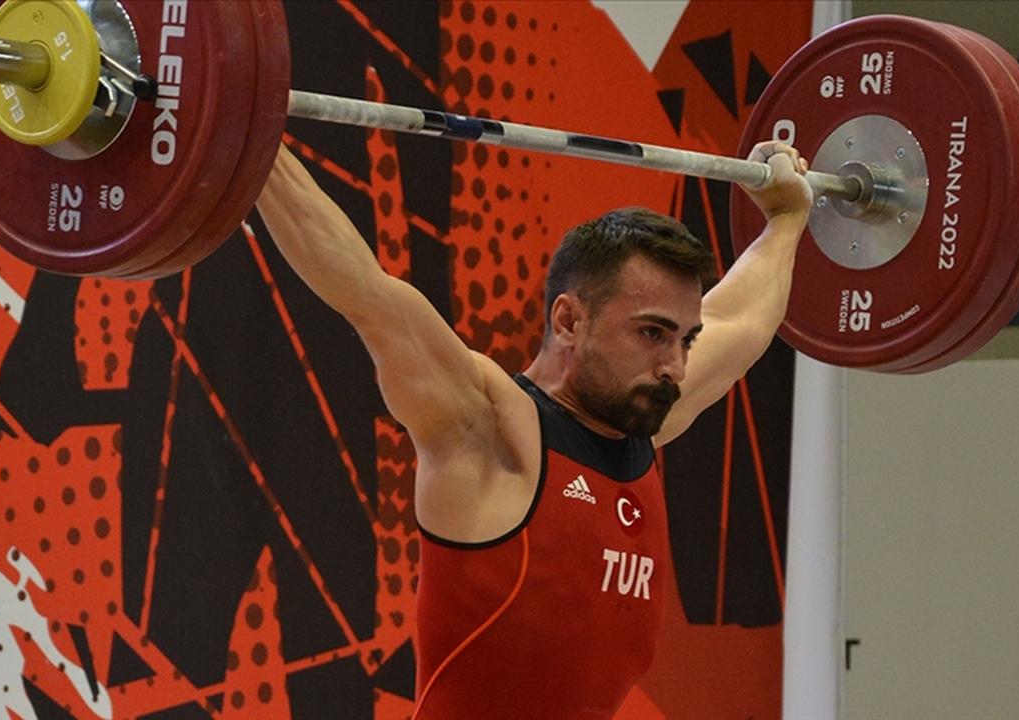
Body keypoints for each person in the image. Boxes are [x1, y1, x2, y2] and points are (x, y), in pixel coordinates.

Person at [256, 140, 812, 719]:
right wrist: (255, 132)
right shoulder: (490, 432)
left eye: (684, 339)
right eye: (652, 333)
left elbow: (740, 320)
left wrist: (787, 217)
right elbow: (364, 292)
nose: (674, 364)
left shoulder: (647, 410)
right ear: (569, 320)